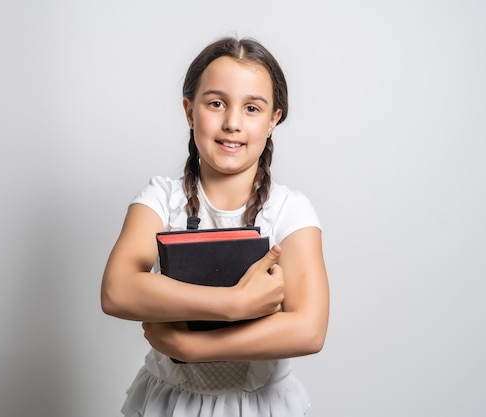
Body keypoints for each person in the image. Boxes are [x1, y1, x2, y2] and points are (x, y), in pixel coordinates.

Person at [101, 36, 330, 417]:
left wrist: (194, 348)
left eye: (252, 108)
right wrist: (235, 303)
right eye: (216, 103)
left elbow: (309, 329)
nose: (232, 123)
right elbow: (117, 290)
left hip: (261, 405)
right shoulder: (161, 198)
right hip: (168, 402)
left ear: (274, 119)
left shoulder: (290, 210)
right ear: (190, 111)